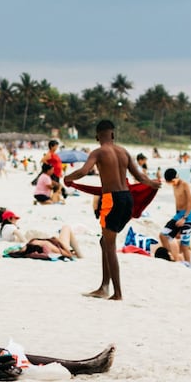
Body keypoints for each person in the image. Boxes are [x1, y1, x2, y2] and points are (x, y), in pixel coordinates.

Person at [60, 120, 152, 301]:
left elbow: (83, 171)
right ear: (113, 134)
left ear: (97, 136)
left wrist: (67, 178)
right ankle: (104, 286)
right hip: (127, 199)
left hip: (112, 200)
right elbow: (140, 177)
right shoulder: (123, 152)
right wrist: (152, 184)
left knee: (109, 246)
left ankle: (116, 293)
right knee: (105, 242)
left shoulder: (99, 152)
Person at [162, 167, 191, 249]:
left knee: (183, 243)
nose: (172, 184)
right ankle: (170, 255)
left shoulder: (184, 185)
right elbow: (177, 202)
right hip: (178, 215)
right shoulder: (174, 185)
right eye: (170, 183)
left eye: (173, 181)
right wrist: (177, 216)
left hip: (186, 216)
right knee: (168, 236)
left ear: (177, 177)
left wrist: (184, 218)